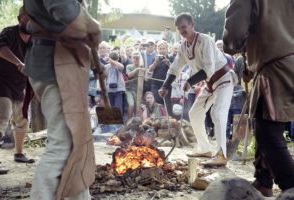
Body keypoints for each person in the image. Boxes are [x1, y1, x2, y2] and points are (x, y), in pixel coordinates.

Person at [23, 0, 101, 199]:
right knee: (63, 146)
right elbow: (68, 14)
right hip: (55, 67)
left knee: (75, 144)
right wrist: (93, 27)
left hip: (58, 64)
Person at [223, 0, 294, 197]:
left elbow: (235, 32)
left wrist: (234, 45)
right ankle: (263, 180)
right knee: (269, 124)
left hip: (275, 67)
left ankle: (291, 186)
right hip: (286, 63)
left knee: (267, 132)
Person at [159, 13, 237, 167]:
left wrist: (190, 81)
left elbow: (209, 68)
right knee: (194, 113)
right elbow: (175, 67)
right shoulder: (183, 46)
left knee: (217, 113)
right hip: (209, 84)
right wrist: (165, 86)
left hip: (224, 79)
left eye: (184, 27)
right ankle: (204, 148)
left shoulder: (205, 40)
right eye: (179, 28)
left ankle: (221, 154)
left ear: (192, 24)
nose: (182, 31)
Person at [0, 7, 34, 175]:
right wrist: (18, 62)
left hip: (20, 84)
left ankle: (19, 153)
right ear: (20, 18)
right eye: (30, 18)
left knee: (23, 118)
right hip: (0, 81)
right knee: (2, 116)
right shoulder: (9, 32)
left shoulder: (36, 39)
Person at [126, 51, 145, 118]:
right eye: (133, 58)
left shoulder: (143, 67)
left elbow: (146, 79)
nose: (135, 60)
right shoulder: (129, 66)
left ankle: (137, 121)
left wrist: (144, 70)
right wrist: (137, 69)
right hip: (129, 90)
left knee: (139, 106)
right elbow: (129, 75)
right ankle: (129, 120)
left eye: (137, 58)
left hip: (139, 90)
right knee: (131, 104)